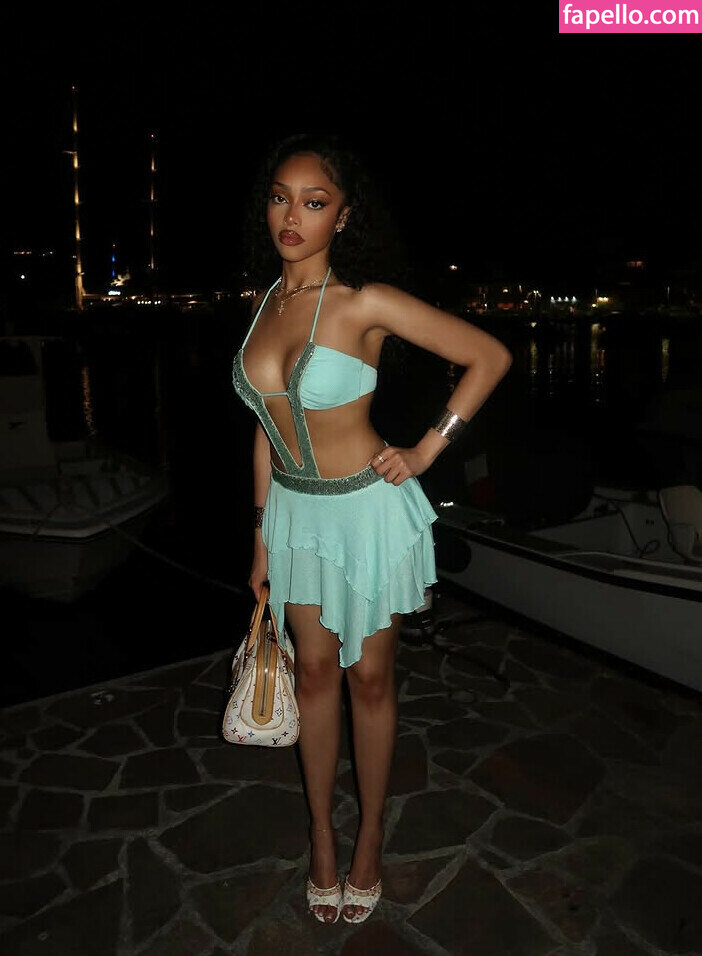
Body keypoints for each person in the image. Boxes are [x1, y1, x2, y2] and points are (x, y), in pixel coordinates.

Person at [232, 133, 512, 924]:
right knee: (314, 680)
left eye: (314, 202)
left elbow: (487, 357)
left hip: (365, 513)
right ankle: (322, 836)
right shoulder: (263, 303)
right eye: (280, 197)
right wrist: (261, 536)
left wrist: (426, 449)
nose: (292, 216)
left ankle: (371, 837)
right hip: (294, 514)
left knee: (371, 682)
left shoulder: (364, 302)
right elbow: (265, 427)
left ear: (344, 217)